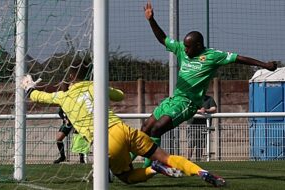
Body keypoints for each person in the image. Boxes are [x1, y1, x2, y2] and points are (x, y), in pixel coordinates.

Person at [21, 59, 226, 187]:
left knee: (126, 178)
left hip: (105, 142)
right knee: (168, 157)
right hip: (124, 130)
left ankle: (153, 169)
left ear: (69, 80)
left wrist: (29, 87)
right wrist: (104, 88)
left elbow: (39, 97)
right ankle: (202, 172)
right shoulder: (94, 86)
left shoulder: (62, 97)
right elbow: (118, 95)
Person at [138, 1, 277, 167]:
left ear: (198, 45)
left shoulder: (212, 56)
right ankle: (126, 165)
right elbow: (163, 39)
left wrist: (264, 65)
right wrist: (151, 20)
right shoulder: (182, 49)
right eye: (185, 46)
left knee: (156, 130)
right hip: (173, 99)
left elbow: (238, 58)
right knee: (145, 128)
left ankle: (146, 169)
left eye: (189, 47)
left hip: (187, 103)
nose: (185, 50)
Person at [187, 95, 217, 161]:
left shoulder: (209, 98)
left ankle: (198, 160)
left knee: (201, 144)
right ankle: (188, 159)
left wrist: (206, 110)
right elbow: (188, 108)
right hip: (192, 125)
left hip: (204, 125)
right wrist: (199, 111)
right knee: (191, 143)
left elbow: (214, 108)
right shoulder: (192, 98)